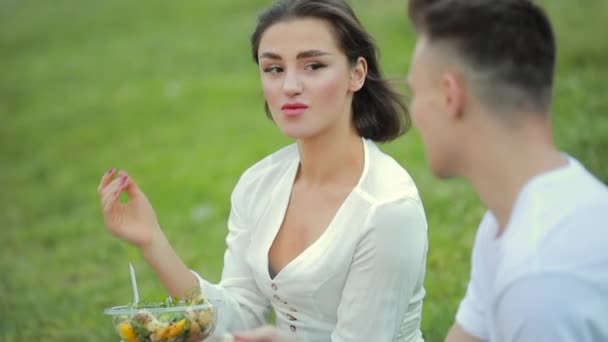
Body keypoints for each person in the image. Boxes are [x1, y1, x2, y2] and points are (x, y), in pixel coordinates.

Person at [98, 0, 429, 341]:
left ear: (356, 73)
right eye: (274, 69)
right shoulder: (259, 184)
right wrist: (152, 240)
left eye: (313, 65)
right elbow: (239, 316)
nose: (289, 86)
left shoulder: (387, 209)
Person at [405, 0, 608, 341]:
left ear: (450, 96)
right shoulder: (509, 222)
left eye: (416, 92)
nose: (414, 112)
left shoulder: (540, 280)